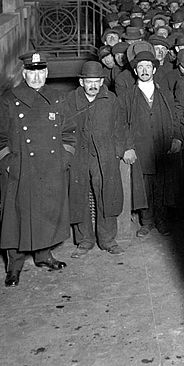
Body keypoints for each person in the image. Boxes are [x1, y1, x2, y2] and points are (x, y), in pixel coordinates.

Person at [0, 52, 76, 286]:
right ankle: (14, 267)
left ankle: (44, 256)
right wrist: (9, 166)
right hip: (20, 172)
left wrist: (64, 159)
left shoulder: (57, 98)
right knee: (16, 220)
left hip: (51, 169)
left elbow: (70, 133)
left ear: (46, 73)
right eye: (31, 72)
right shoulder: (9, 99)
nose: (36, 77)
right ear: (24, 74)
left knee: (46, 214)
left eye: (40, 72)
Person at [62, 61, 133, 257]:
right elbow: (62, 130)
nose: (93, 86)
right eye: (89, 82)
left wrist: (121, 151)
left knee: (107, 195)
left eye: (97, 81)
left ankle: (108, 240)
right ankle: (84, 240)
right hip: (78, 156)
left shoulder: (111, 99)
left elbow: (120, 128)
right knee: (79, 194)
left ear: (102, 81)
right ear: (81, 82)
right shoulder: (69, 101)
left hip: (105, 155)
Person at [121, 51, 180, 238]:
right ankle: (146, 221)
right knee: (144, 185)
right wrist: (128, 147)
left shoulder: (165, 94)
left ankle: (161, 220)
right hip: (140, 147)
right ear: (135, 70)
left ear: (154, 69)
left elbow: (175, 118)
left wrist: (176, 138)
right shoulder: (127, 96)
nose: (144, 70)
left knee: (162, 184)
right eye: (140, 67)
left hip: (161, 146)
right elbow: (121, 123)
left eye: (148, 66)